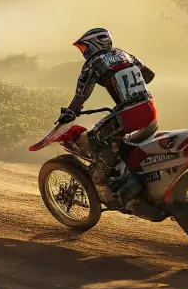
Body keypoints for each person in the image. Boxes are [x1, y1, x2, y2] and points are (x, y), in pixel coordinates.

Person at [56, 28, 157, 203]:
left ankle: (103, 186)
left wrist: (71, 112)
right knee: (123, 144)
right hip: (150, 108)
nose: (85, 53)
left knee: (96, 139)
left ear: (96, 44)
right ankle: (131, 178)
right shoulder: (124, 54)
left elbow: (82, 94)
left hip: (130, 112)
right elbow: (149, 76)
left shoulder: (94, 62)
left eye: (86, 48)